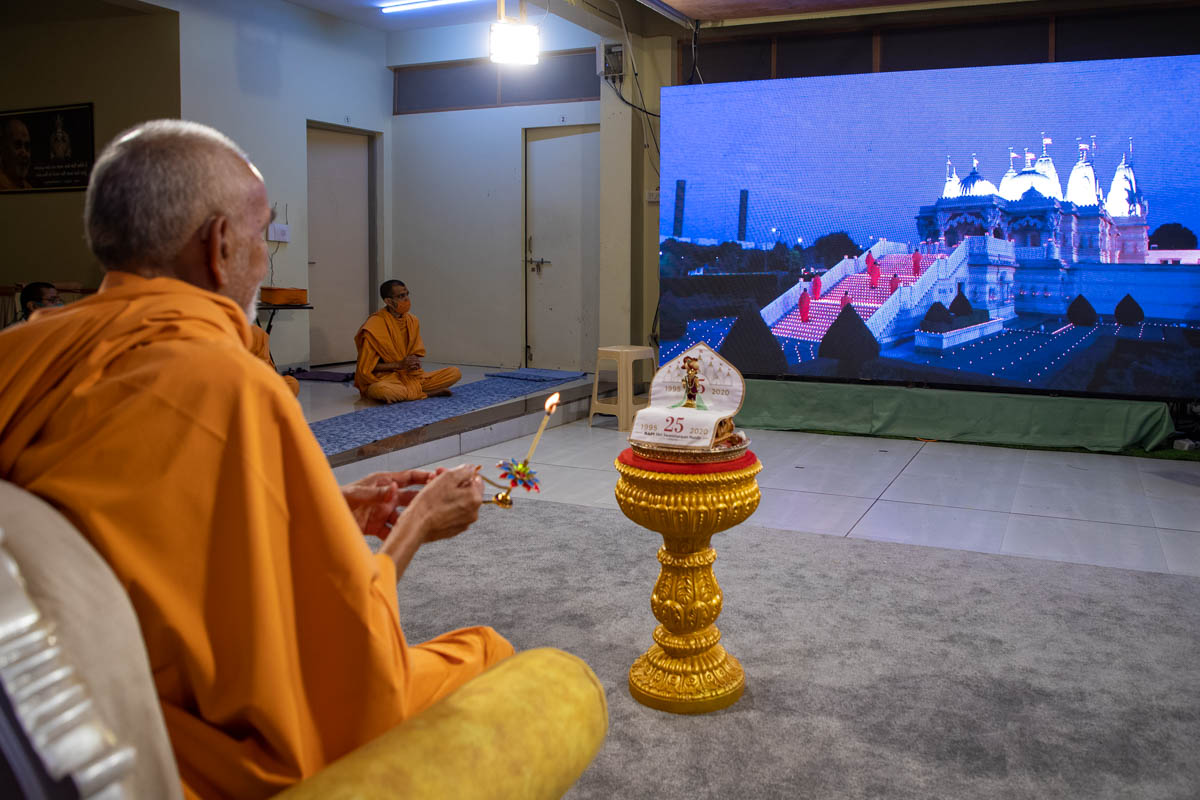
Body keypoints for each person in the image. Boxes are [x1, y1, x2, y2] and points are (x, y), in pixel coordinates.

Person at [0, 120, 512, 799]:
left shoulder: (23, 352)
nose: (265, 263)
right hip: (173, 741)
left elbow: (159, 529)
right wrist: (420, 520)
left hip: (53, 705)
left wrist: (323, 504)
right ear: (218, 246)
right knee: (486, 653)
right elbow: (346, 661)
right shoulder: (225, 382)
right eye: (263, 237)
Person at [354, 280, 461, 403]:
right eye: (401, 296)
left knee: (455, 372)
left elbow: (414, 352)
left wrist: (413, 362)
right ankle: (426, 393)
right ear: (388, 301)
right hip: (386, 379)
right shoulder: (374, 325)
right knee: (380, 390)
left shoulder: (412, 320)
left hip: (411, 377)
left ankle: (413, 392)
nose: (406, 299)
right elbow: (367, 368)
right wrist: (398, 365)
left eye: (407, 294)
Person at [248, 324, 301, 396]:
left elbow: (266, 368)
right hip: (236, 385)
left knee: (292, 383)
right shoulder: (228, 333)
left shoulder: (257, 332)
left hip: (257, 382)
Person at [0, 118, 33, 190]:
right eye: (18, 145)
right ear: (3, 149)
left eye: (27, 147)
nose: (24, 154)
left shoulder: (29, 188)